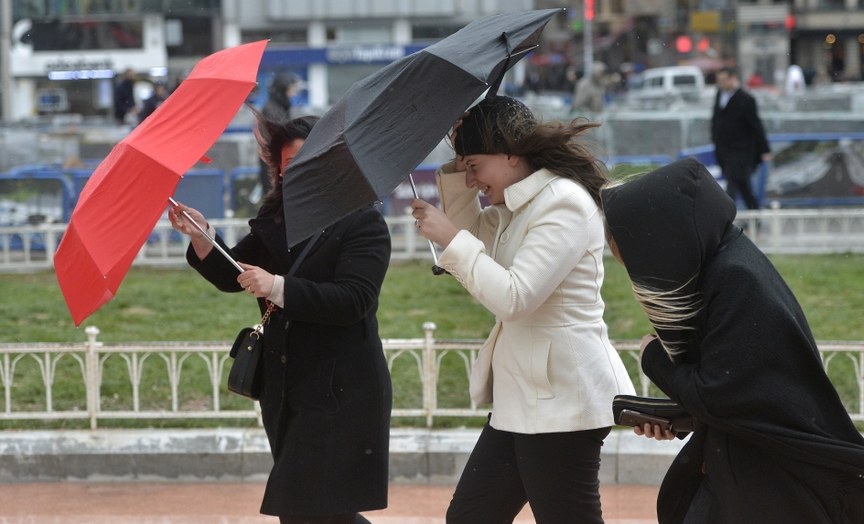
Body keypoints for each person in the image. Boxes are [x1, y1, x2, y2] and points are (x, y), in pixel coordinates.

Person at [600, 157, 864, 524]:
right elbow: (744, 395)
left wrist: (652, 357)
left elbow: (720, 393)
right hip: (752, 472)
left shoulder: (736, 281)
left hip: (771, 485)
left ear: (665, 241)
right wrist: (679, 418)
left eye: (639, 261)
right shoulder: (724, 264)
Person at [410, 95, 636, 524]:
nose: (473, 180)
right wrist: (459, 172)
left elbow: (514, 297)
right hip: (526, 398)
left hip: (562, 398)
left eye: (475, 166)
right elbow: (474, 241)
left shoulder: (562, 202)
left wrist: (452, 239)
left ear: (511, 154)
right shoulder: (518, 204)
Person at [168, 114, 393, 524]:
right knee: (317, 512)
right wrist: (203, 237)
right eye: (289, 164)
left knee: (305, 508)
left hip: (342, 390)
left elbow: (354, 300)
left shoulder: (362, 221)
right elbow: (234, 275)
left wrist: (276, 286)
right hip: (286, 388)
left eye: (311, 160)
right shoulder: (277, 220)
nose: (299, 172)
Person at [711, 66, 771, 210]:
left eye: (724, 80)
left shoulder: (746, 99)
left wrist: (765, 149)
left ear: (733, 78)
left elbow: (756, 125)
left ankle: (725, 217)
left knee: (732, 184)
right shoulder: (720, 95)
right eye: (719, 80)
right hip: (724, 149)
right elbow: (717, 120)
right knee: (743, 186)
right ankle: (754, 215)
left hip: (741, 151)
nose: (721, 83)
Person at [256, 73, 300, 198]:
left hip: (276, 162)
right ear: (283, 88)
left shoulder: (279, 106)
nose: (293, 92)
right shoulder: (273, 109)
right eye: (291, 88)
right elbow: (278, 137)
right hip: (274, 164)